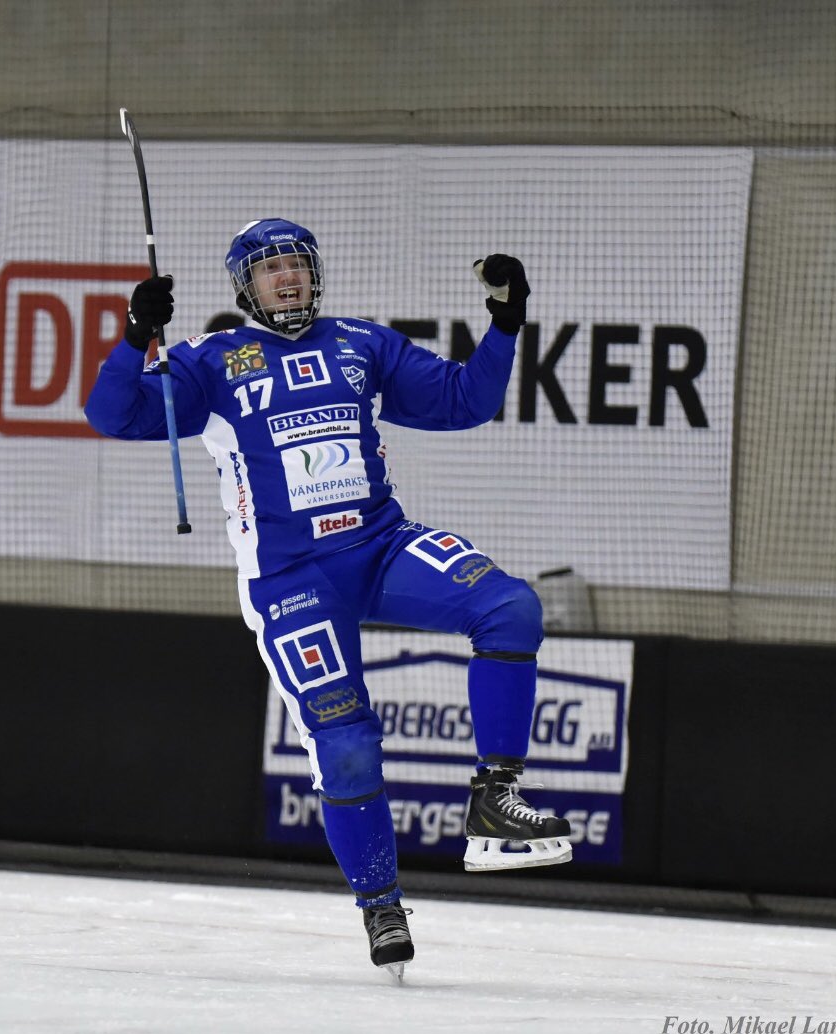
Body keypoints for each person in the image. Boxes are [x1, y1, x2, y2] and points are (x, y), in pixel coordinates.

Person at [85, 218, 572, 979]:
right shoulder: (210, 362)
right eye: (268, 268)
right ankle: (380, 906)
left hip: (379, 548)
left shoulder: (361, 344)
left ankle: (495, 799)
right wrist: (134, 335)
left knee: (509, 608)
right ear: (243, 287)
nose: (286, 277)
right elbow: (112, 416)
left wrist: (505, 321)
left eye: (296, 264)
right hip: (291, 581)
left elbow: (462, 402)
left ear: (316, 274)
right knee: (344, 747)